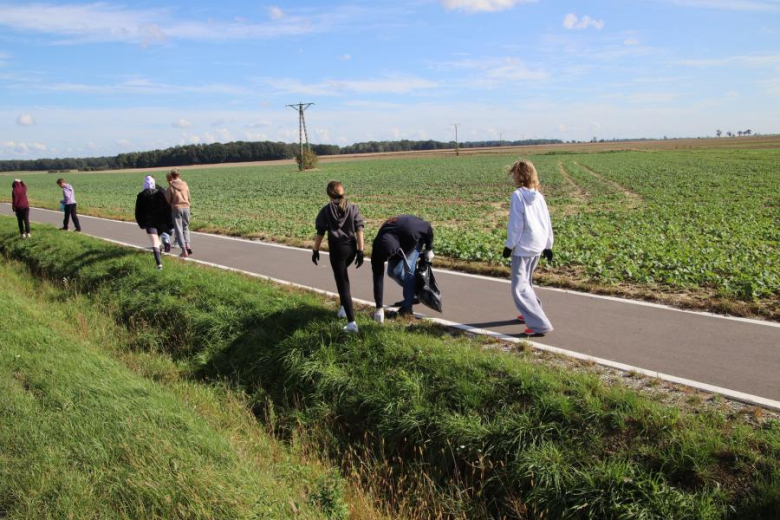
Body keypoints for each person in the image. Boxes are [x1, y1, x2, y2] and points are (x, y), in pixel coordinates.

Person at [502, 159, 554, 337]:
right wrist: (548, 245)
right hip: (537, 244)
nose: (513, 177)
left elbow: (516, 224)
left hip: (524, 246)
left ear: (521, 176)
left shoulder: (518, 195)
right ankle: (529, 313)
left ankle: (540, 325)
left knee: (519, 288)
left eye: (515, 173)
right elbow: (546, 221)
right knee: (527, 282)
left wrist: (509, 245)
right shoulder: (539, 196)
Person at [311, 181, 365, 333]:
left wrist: (315, 250)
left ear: (329, 194)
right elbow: (359, 229)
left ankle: (352, 323)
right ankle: (342, 307)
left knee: (343, 284)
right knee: (342, 276)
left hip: (337, 251)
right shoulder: (353, 207)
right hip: (351, 249)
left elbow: (320, 232)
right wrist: (361, 251)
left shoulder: (326, 210)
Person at [371, 215, 434, 323]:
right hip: (398, 241)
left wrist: (429, 248)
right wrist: (379, 308)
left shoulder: (411, 229)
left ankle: (407, 308)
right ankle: (415, 293)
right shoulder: (377, 248)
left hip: (411, 239)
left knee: (409, 271)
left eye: (390, 257)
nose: (388, 259)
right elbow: (377, 278)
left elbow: (427, 227)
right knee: (393, 272)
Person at [135, 176, 173, 270]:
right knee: (158, 240)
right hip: (161, 221)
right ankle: (160, 254)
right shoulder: (159, 193)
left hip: (149, 222)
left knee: (155, 242)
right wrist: (169, 222)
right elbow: (167, 209)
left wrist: (141, 223)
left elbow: (138, 212)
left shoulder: (141, 195)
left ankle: (159, 264)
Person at [164, 168, 192, 257]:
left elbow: (167, 200)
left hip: (176, 209)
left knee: (178, 229)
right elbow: (189, 197)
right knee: (185, 227)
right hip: (186, 207)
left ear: (171, 176)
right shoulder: (185, 185)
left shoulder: (171, 187)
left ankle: (184, 250)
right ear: (179, 175)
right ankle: (188, 245)